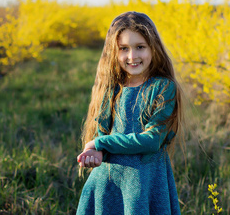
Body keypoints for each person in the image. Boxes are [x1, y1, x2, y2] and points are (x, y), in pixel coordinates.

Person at [76, 11, 183, 215]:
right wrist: (95, 152)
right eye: (123, 49)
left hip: (145, 182)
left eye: (140, 47)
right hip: (108, 181)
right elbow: (101, 132)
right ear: (113, 52)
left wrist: (101, 144)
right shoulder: (111, 87)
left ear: (153, 48)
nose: (132, 56)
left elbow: (152, 140)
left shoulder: (163, 87)